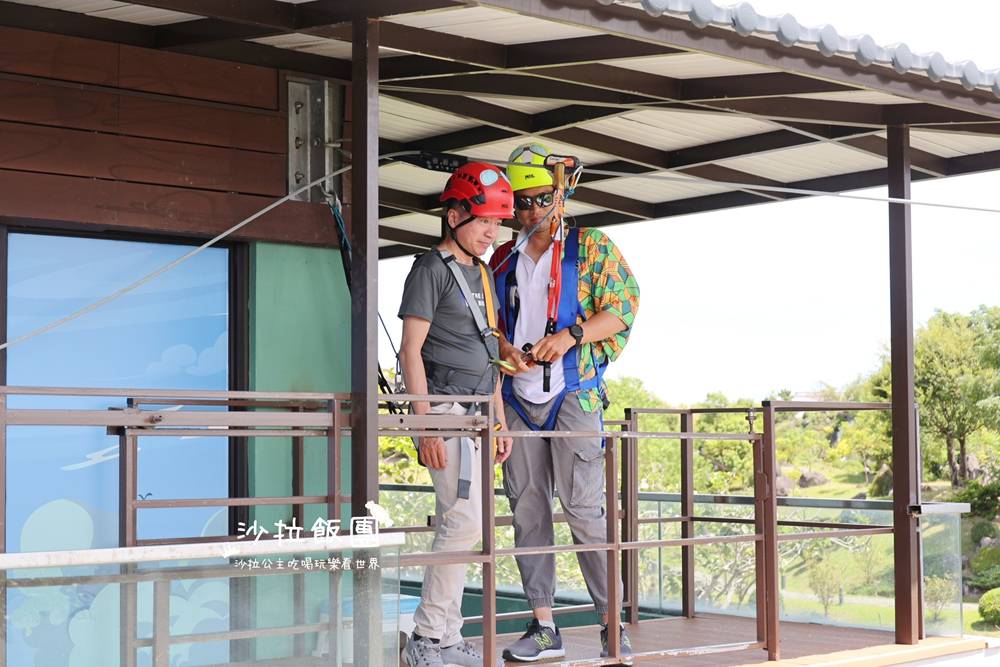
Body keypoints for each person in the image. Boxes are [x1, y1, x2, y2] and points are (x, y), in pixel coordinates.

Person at [489, 143, 640, 661]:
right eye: (520, 203)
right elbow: (491, 328)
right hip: (518, 396)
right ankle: (543, 625)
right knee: (527, 509)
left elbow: (622, 308)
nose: (530, 211)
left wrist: (572, 334)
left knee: (583, 510)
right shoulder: (502, 258)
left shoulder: (590, 246)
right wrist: (507, 351)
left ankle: (610, 623)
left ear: (559, 195)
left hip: (573, 394)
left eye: (538, 200)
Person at [398, 162, 514, 667]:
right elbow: (409, 352)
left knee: (468, 521)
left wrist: (500, 419)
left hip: (478, 414)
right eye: (483, 220)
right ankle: (426, 636)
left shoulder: (482, 273)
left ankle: (446, 636)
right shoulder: (429, 270)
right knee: (463, 521)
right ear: (453, 215)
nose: (491, 232)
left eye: (497, 223)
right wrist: (424, 423)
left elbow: (489, 352)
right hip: (443, 411)